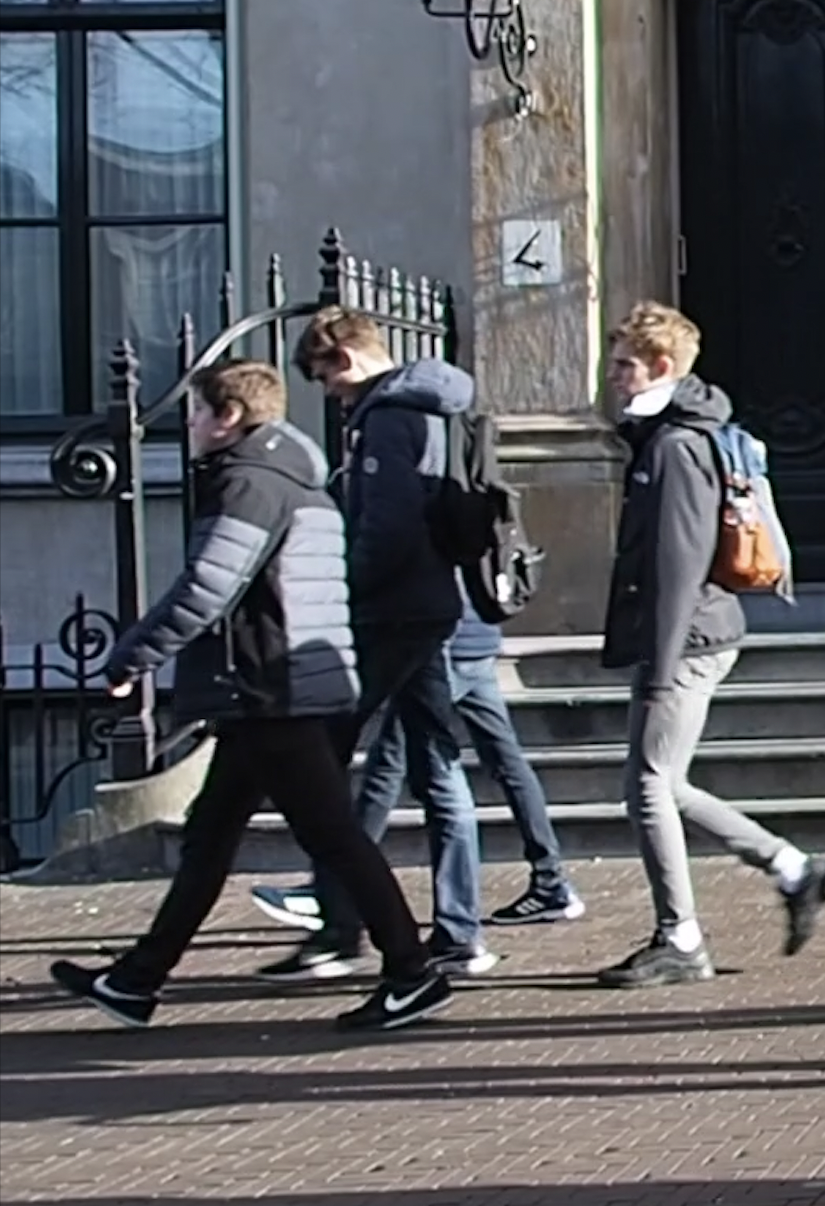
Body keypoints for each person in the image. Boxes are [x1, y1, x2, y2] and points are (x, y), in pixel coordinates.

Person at [49, 360, 455, 1033]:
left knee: (333, 835)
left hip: (271, 686)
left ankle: (411, 971)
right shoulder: (297, 476)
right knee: (212, 836)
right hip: (272, 685)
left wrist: (133, 656)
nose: (190, 428)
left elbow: (208, 586)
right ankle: (135, 980)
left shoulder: (249, 483)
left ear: (228, 416)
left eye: (197, 414)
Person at [593, 300, 825, 989]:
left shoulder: (675, 446)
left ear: (662, 368)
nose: (612, 376)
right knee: (660, 783)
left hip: (690, 635)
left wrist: (662, 664)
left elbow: (678, 560)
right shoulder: (670, 434)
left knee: (648, 786)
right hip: (693, 631)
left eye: (623, 365)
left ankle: (681, 936)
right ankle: (794, 869)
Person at [259, 307, 484, 981]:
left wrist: (342, 592)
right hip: (431, 604)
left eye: (327, 377)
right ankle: (457, 928)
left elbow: (385, 525)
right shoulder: (437, 406)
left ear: (348, 359)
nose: (330, 394)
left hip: (392, 614)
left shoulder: (387, 416)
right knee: (437, 767)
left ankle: (340, 925)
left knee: (319, 762)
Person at [249, 577, 585, 939]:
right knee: (506, 761)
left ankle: (337, 888)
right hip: (478, 636)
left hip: (439, 644)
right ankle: (551, 879)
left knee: (390, 763)